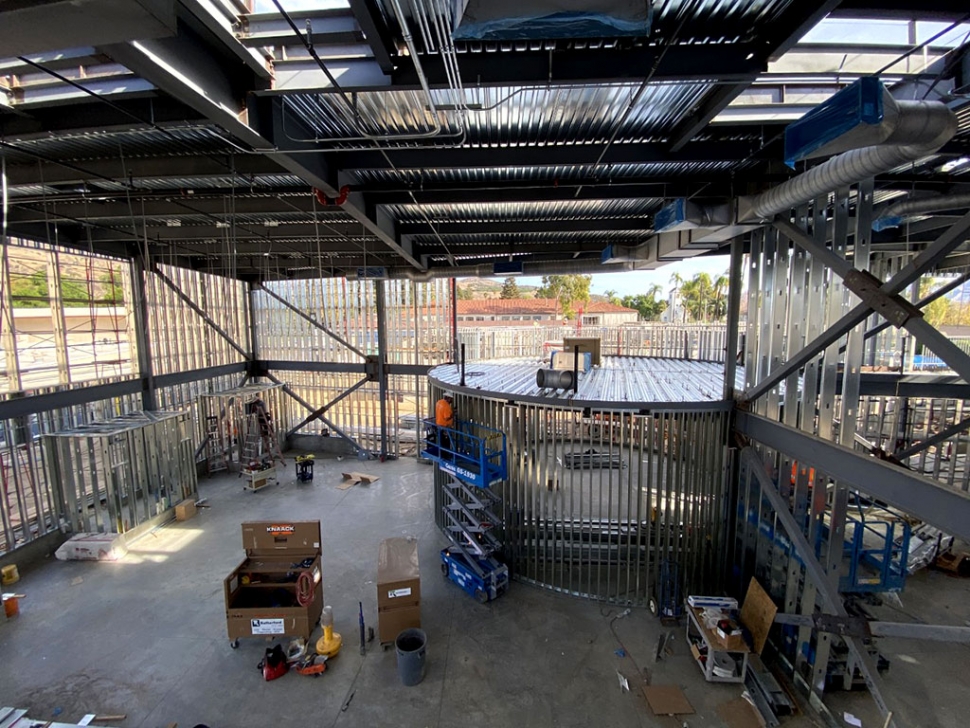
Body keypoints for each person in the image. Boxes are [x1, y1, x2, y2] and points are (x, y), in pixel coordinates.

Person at [434, 392, 455, 457]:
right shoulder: (446, 406)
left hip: (439, 424)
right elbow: (447, 418)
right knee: (446, 442)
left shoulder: (439, 402)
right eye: (451, 399)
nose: (451, 400)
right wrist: (453, 414)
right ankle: (445, 455)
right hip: (445, 427)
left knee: (442, 441)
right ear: (448, 398)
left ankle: (442, 454)